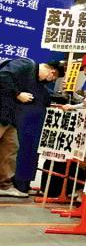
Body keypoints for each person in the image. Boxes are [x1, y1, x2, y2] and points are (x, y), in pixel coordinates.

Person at [0, 59, 64, 198]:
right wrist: (17, 93)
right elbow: (3, 75)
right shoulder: (26, 64)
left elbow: (43, 94)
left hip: (9, 118)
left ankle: (4, 185)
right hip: (3, 112)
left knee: (10, 149)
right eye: (53, 79)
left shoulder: (34, 80)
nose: (51, 81)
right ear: (52, 73)